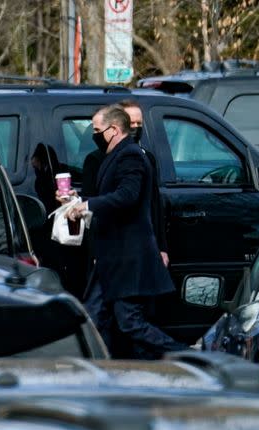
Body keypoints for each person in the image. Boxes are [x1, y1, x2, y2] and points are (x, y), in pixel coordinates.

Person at [64, 104, 188, 359]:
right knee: (95, 318)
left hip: (126, 258)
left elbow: (127, 196)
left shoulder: (130, 156)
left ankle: (185, 356)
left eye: (97, 130)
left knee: (129, 322)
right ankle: (102, 370)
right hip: (111, 258)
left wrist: (87, 205)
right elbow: (112, 195)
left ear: (114, 129)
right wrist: (77, 199)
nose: (94, 134)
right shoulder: (115, 155)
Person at [117, 98, 169, 267]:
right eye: (131, 122)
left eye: (139, 123)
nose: (135, 127)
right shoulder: (104, 159)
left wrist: (161, 247)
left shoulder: (148, 158)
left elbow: (155, 204)